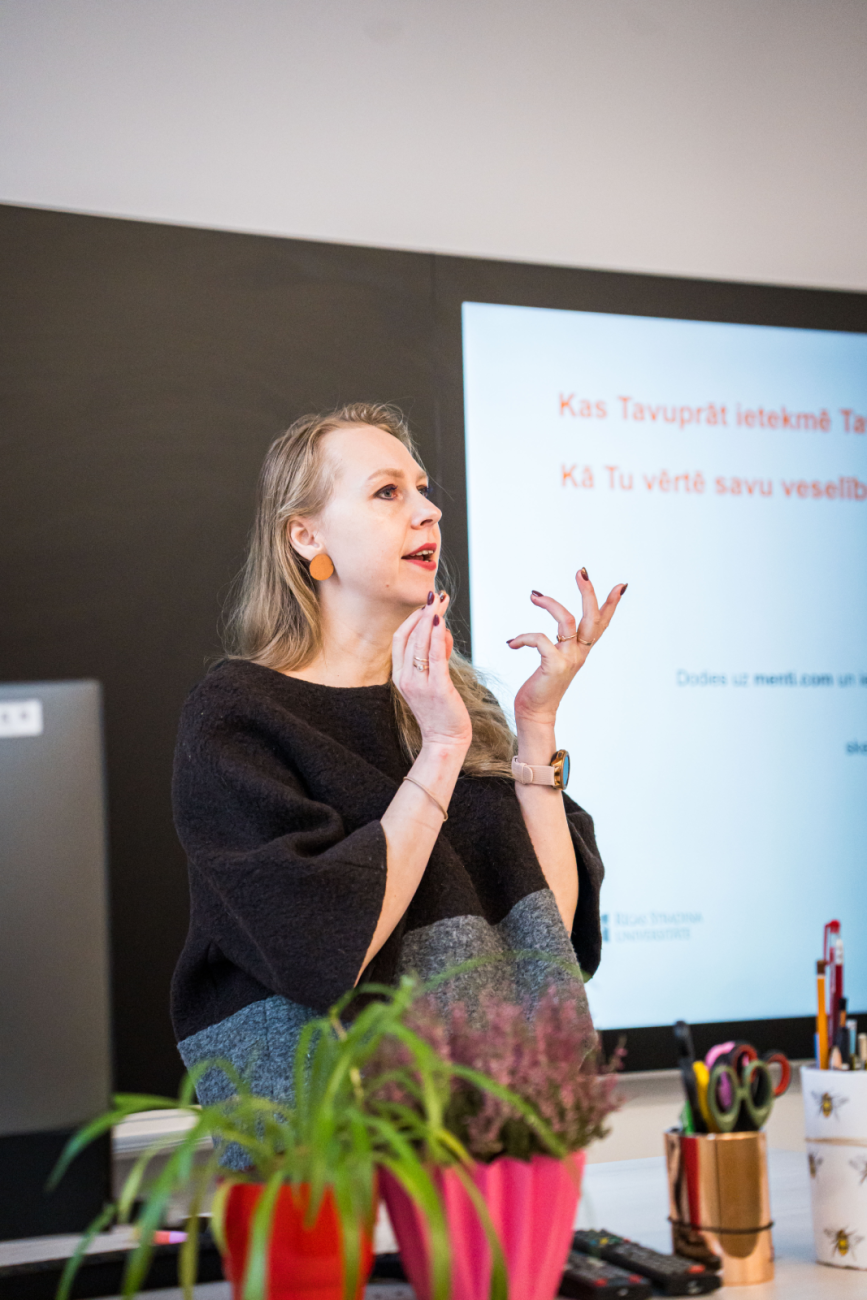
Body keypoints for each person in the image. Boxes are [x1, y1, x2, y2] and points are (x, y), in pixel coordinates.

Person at [170, 403, 626, 1118]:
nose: (428, 511)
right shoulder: (239, 714)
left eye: (422, 488)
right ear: (306, 535)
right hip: (339, 1142)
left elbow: (545, 939)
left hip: (502, 1129)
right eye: (387, 492)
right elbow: (320, 946)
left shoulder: (460, 701)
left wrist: (535, 726)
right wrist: (439, 751)